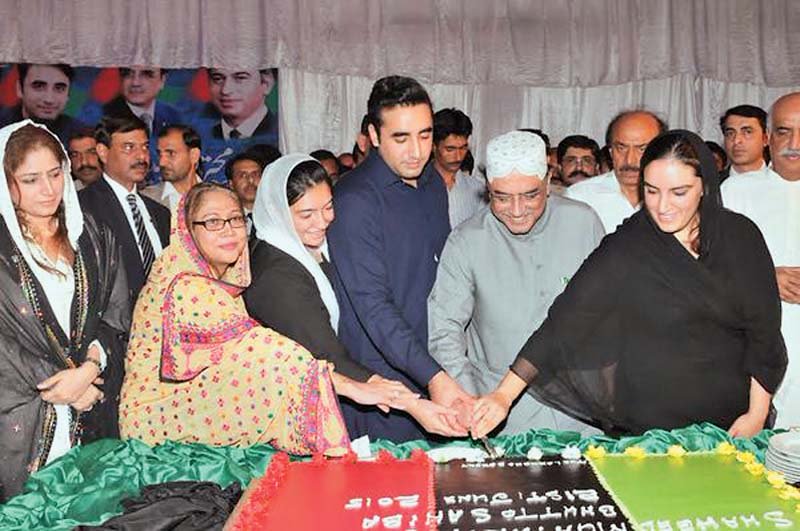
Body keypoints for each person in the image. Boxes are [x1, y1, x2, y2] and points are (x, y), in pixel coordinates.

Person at [470, 130, 787, 440]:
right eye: (651, 190)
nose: (663, 206)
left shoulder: (740, 238)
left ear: (704, 186)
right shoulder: (628, 245)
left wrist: (756, 415)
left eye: (679, 192)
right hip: (651, 427)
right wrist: (503, 396)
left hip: (732, 420)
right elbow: (563, 323)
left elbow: (764, 334)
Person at [119, 182, 350, 455]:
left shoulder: (216, 276)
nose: (228, 230)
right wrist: (350, 386)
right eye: (213, 221)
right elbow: (261, 348)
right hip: (157, 436)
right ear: (187, 229)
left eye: (236, 219)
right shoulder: (185, 285)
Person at [245, 154, 458, 435]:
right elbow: (327, 356)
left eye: (328, 207)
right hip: (295, 416)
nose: (322, 222)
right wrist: (413, 404)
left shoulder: (310, 245)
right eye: (306, 214)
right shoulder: (277, 274)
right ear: (278, 212)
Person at [428, 131, 604, 436]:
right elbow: (444, 330)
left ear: (549, 181)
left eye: (530, 194)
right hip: (500, 415)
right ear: (487, 190)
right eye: (502, 197)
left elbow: (606, 316)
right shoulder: (466, 241)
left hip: (579, 413)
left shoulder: (583, 223)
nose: (518, 209)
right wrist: (469, 400)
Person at [327, 76, 471, 442]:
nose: (416, 152)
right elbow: (372, 307)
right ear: (374, 136)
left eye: (424, 135)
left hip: (435, 367)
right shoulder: (355, 199)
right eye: (401, 138)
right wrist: (433, 376)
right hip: (383, 389)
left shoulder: (432, 184)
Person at [0, 121, 129, 500]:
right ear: (8, 184)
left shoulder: (91, 235)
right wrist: (65, 386)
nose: (48, 189)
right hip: (20, 416)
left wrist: (91, 369)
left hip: (91, 406)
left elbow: (117, 318)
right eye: (31, 179)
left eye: (55, 173)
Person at [722, 92, 800, 428]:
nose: (794, 142)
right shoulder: (735, 194)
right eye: (784, 131)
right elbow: (704, 269)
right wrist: (765, 279)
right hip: (754, 354)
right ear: (769, 138)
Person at [79, 116, 170, 303]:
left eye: (144, 147)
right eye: (129, 147)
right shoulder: (83, 208)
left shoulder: (160, 213)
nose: (141, 157)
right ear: (103, 153)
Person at [565, 110, 666, 233]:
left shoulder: (677, 197)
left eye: (642, 149)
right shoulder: (579, 197)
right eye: (621, 148)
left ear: (661, 152)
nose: (630, 160)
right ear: (610, 152)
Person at [0, 64, 87, 145]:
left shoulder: (81, 136)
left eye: (59, 88)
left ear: (68, 94)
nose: (49, 99)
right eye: (39, 86)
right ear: (19, 88)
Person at [432, 108, 486, 228]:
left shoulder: (477, 189)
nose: (458, 156)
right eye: (450, 149)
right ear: (433, 146)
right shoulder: (416, 187)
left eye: (463, 148)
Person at [102, 67, 181, 139]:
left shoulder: (173, 116)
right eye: (127, 74)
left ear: (162, 80)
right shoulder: (103, 117)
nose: (135, 83)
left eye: (147, 74)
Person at [208, 68, 278, 143]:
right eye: (218, 79)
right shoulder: (203, 134)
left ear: (266, 84)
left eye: (241, 78)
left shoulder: (282, 134)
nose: (225, 90)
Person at [142, 125, 203, 210]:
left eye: (171, 153)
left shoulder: (219, 197)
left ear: (194, 155)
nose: (161, 163)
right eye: (160, 154)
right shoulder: (145, 200)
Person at [718, 104, 769, 182]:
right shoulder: (708, 185)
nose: (736, 141)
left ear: (765, 139)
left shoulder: (784, 184)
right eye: (730, 133)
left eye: (747, 132)